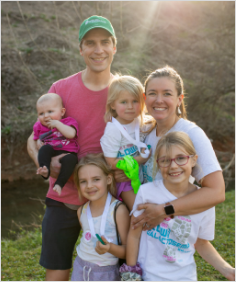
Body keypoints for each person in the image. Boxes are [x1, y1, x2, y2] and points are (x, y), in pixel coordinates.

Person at [27, 15, 117, 281]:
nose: (98, 49)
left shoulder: (124, 90)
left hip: (110, 202)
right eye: (90, 43)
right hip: (63, 197)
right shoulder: (60, 89)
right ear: (81, 49)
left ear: (114, 46)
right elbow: (33, 139)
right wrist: (43, 164)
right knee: (57, 272)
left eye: (104, 42)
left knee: (114, 272)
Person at [124, 131, 235, 281]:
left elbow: (201, 243)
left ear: (194, 160)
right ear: (157, 163)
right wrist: (130, 273)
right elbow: (134, 234)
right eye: (165, 160)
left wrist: (228, 270)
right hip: (148, 276)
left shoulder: (204, 202)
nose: (173, 166)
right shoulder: (146, 193)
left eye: (181, 158)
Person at [131, 66, 225, 231]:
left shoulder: (191, 133)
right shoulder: (144, 131)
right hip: (143, 232)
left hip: (172, 236)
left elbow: (216, 192)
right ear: (145, 98)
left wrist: (163, 210)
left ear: (179, 99)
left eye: (167, 93)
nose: (159, 100)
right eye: (153, 93)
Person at [71, 153, 130, 281]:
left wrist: (110, 248)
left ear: (108, 179)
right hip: (80, 269)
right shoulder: (81, 211)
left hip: (106, 273)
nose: (89, 185)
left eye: (96, 179)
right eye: (83, 181)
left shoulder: (118, 210)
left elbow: (129, 251)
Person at [100, 75, 151, 211]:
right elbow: (110, 162)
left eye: (135, 101)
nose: (130, 107)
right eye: (123, 102)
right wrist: (140, 159)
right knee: (139, 210)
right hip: (125, 180)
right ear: (112, 104)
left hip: (140, 176)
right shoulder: (113, 130)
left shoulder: (140, 121)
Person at [34, 93, 79, 195]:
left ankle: (59, 183)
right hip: (51, 151)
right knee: (44, 149)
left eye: (50, 111)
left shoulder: (68, 121)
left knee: (71, 160)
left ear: (62, 111)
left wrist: (57, 124)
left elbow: (71, 134)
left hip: (67, 152)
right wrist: (38, 142)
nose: (46, 116)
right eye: (41, 113)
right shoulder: (39, 126)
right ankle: (44, 170)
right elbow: (36, 138)